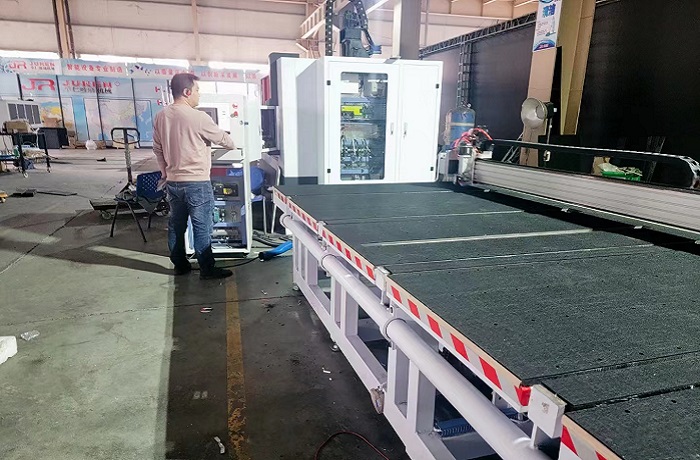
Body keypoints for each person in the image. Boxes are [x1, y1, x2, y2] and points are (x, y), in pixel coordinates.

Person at [153, 73, 237, 280]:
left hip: (173, 182)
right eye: (197, 90)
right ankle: (207, 269)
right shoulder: (199, 117)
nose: (199, 95)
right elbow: (227, 142)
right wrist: (226, 136)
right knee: (202, 227)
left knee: (176, 226)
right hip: (197, 183)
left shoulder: (161, 116)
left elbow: (158, 149)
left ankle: (180, 265)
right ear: (187, 92)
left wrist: (165, 172)